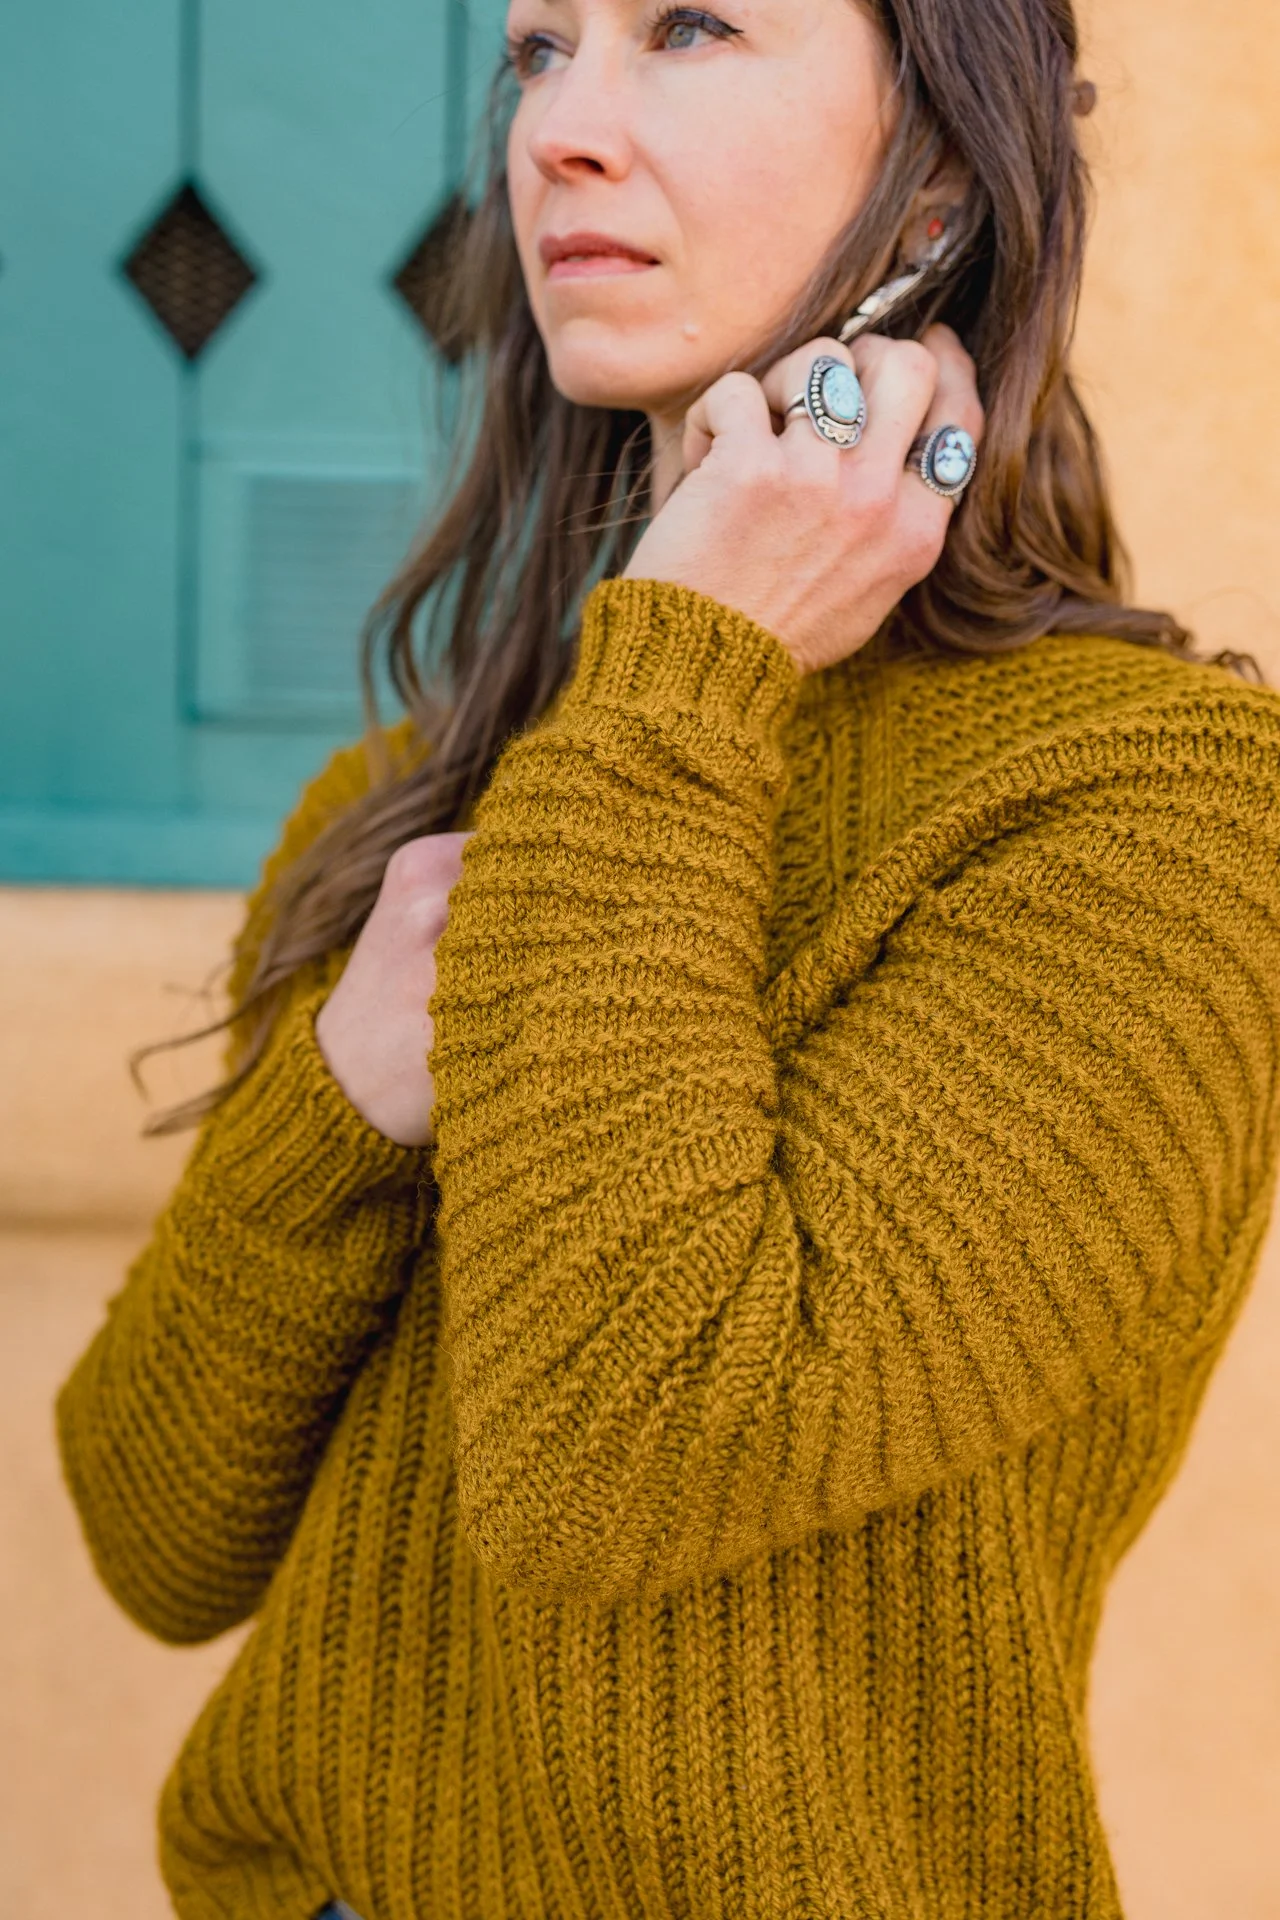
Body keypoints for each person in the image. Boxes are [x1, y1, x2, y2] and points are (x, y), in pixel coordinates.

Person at [57, 1, 1280, 1916]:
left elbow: (616, 1464)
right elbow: (152, 1533)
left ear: (948, 162)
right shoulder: (406, 812)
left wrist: (684, 662)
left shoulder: (1148, 816)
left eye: (689, 28)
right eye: (538, 51)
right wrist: (345, 1099)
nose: (562, 130)